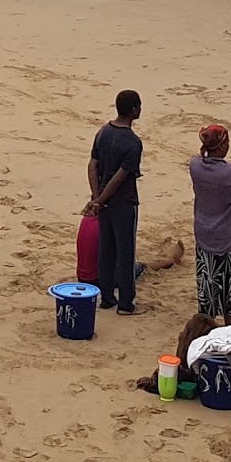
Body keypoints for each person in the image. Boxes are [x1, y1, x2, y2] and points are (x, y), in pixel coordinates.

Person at [84, 90, 144, 315]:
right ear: (134, 110)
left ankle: (107, 297)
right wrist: (100, 198)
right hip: (123, 203)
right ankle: (126, 303)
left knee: (106, 249)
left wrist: (96, 197)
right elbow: (120, 178)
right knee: (125, 252)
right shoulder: (133, 143)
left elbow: (93, 165)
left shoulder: (103, 132)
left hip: (103, 202)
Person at [189, 124, 231, 327]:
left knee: (207, 283)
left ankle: (207, 325)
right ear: (222, 145)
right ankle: (229, 326)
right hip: (230, 235)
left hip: (205, 233)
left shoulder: (195, 166)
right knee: (230, 283)